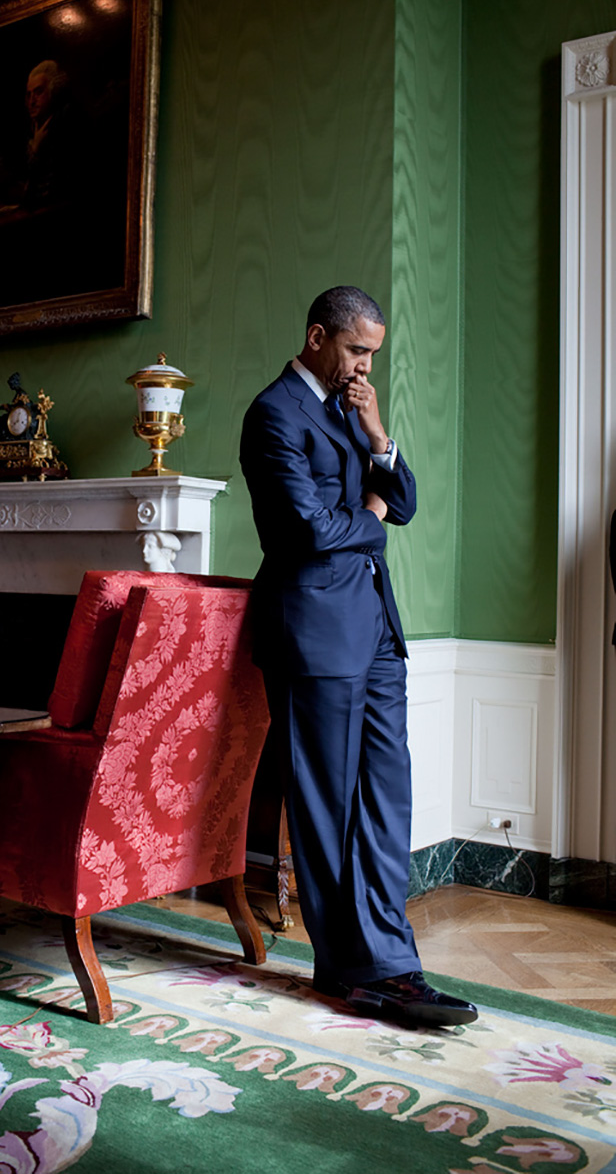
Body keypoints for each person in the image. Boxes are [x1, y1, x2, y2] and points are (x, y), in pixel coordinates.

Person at [240, 284, 477, 1028]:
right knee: (327, 808)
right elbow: (310, 531)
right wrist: (370, 510)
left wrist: (379, 437)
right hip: (312, 633)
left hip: (374, 631)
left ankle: (392, 963)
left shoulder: (350, 408)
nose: (365, 364)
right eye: (356, 350)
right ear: (318, 336)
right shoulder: (274, 413)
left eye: (374, 352)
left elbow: (403, 499)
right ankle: (349, 968)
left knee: (383, 800)